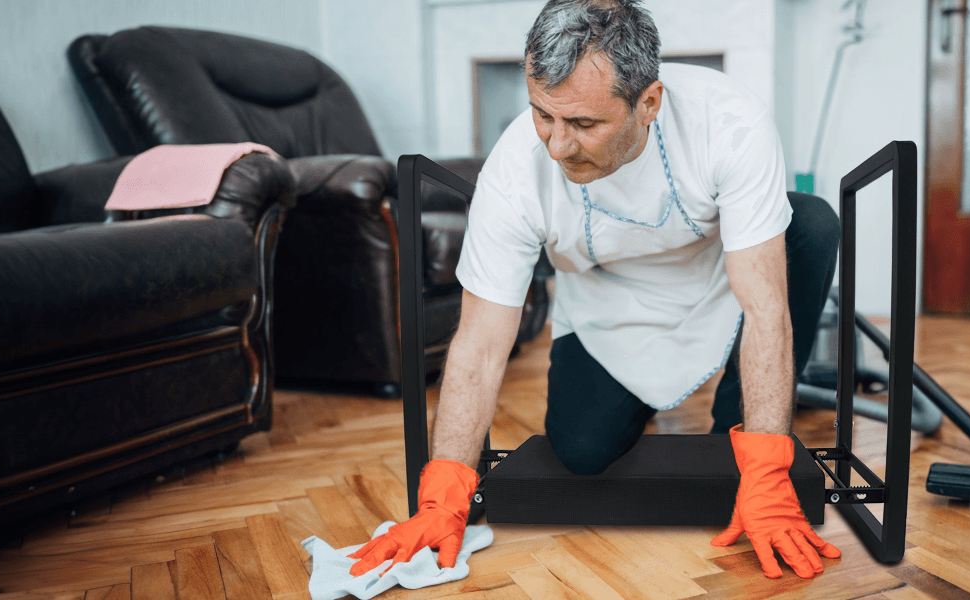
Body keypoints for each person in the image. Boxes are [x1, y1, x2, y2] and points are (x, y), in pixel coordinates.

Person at [349, 0, 842, 580]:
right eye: (542, 116)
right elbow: (481, 343)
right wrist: (443, 490)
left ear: (649, 102)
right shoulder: (515, 172)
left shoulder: (728, 121)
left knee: (810, 222)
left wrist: (767, 473)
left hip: (721, 277)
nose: (556, 147)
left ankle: (737, 440)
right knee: (582, 451)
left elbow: (764, 308)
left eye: (583, 124)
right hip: (606, 303)